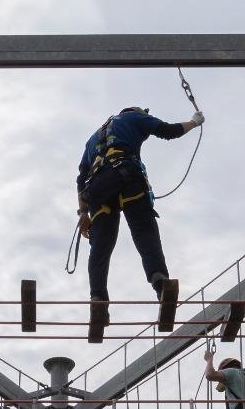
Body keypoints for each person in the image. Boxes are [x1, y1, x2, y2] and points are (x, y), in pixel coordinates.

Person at [76, 105, 204, 303]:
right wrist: (194, 122)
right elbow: (168, 131)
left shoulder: (93, 138)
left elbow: (81, 178)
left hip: (98, 189)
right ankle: (159, 280)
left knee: (101, 244)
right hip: (127, 176)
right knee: (144, 230)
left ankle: (97, 296)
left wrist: (83, 213)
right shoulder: (135, 117)